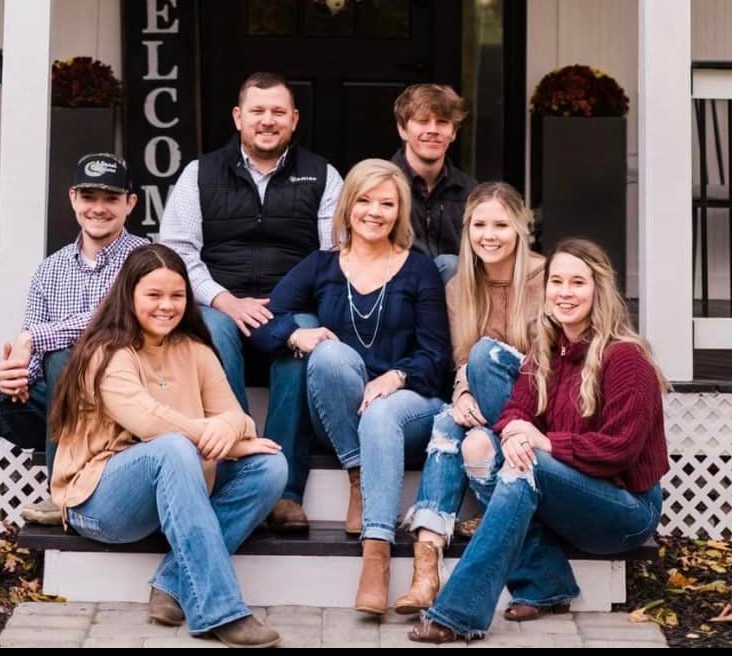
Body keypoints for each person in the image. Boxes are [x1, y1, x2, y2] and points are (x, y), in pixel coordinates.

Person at [408, 237, 669, 644]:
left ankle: (457, 613)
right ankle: (545, 581)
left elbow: (618, 451)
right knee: (484, 451)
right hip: (573, 497)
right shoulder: (548, 349)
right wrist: (515, 431)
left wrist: (542, 442)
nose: (565, 293)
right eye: (557, 282)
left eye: (578, 283)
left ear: (599, 290)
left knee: (523, 463)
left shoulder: (625, 358)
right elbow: (516, 409)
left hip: (627, 510)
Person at [0, 153, 146, 584]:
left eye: (111, 198)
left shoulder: (144, 259)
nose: (98, 207)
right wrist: (9, 377)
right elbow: (31, 345)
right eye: (89, 196)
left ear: (130, 204)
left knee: (67, 355)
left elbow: (113, 323)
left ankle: (65, 492)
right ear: (72, 199)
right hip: (59, 406)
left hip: (120, 408)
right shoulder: (51, 269)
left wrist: (34, 342)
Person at [50, 243, 287, 649]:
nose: (167, 306)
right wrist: (218, 437)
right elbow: (148, 420)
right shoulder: (106, 354)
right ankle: (220, 611)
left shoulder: (196, 350)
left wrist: (230, 434)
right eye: (153, 295)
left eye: (177, 296)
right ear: (129, 295)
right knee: (173, 447)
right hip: (99, 501)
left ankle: (173, 580)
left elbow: (237, 416)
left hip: (176, 481)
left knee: (271, 466)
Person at [255, 158, 451, 617]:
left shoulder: (418, 269)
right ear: (347, 208)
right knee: (326, 353)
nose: (374, 212)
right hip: (342, 415)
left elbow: (436, 356)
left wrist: (396, 376)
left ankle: (375, 556)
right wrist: (294, 334)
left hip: (411, 404)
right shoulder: (321, 266)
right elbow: (264, 323)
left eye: (387, 203)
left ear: (399, 211)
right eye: (364, 200)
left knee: (382, 411)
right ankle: (358, 475)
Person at [158, 71, 343, 529]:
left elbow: (332, 255)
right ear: (238, 117)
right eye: (257, 111)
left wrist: (283, 305)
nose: (267, 121)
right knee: (214, 332)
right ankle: (238, 465)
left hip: (291, 302)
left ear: (294, 120)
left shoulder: (323, 175)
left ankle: (284, 491)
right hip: (221, 304)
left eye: (278, 112)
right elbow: (178, 251)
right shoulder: (198, 174)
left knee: (302, 344)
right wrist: (224, 300)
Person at [394, 182, 546, 615]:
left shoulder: (546, 277)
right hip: (485, 411)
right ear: (466, 229)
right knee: (447, 420)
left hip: (535, 411)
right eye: (479, 224)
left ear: (520, 228)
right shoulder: (459, 285)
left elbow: (554, 366)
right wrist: (461, 394)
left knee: (484, 355)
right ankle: (426, 565)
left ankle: (443, 554)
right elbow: (461, 358)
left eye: (501, 225)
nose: (489, 235)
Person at [392, 84, 476, 283]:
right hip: (396, 292)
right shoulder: (380, 185)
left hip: (455, 297)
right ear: (402, 129)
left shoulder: (471, 191)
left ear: (453, 132)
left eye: (442, 122)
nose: (433, 130)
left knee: (452, 264)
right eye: (422, 121)